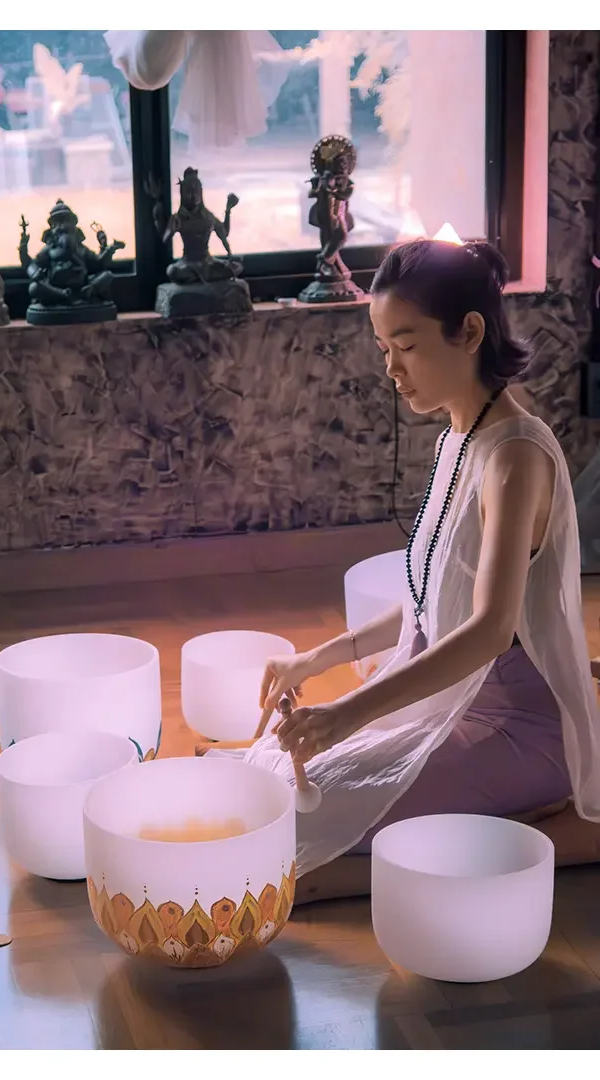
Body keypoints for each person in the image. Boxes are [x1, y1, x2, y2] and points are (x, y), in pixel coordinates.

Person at [208, 238, 600, 901]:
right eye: (385, 349)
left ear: (469, 331)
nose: (392, 369)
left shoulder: (514, 457)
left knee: (301, 824)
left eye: (408, 345)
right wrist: (317, 660)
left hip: (518, 729)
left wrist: (345, 716)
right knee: (274, 774)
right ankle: (478, 823)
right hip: (456, 701)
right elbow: (427, 598)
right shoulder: (459, 435)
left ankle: (537, 835)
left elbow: (486, 632)